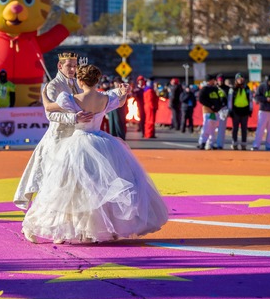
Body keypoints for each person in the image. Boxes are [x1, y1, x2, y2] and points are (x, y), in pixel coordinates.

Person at [20, 64, 168, 244]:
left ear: (80, 81)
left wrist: (44, 93)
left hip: (77, 143)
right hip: (101, 142)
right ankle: (95, 230)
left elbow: (49, 108)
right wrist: (123, 93)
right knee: (99, 188)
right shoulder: (105, 98)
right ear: (97, 80)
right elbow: (120, 103)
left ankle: (55, 227)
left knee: (68, 188)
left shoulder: (69, 98)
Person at [14, 52, 93, 212]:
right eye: (69, 66)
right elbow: (50, 114)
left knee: (74, 181)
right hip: (57, 139)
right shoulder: (53, 86)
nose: (72, 69)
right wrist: (73, 118)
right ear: (60, 66)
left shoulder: (78, 84)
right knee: (52, 180)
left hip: (76, 139)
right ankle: (40, 216)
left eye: (75, 66)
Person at [251, 72, 270, 151]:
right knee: (260, 128)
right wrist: (266, 99)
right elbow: (256, 97)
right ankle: (256, 145)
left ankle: (269, 146)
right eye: (269, 81)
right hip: (263, 110)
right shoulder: (262, 86)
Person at [228, 73, 253, 150]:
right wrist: (230, 110)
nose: (240, 80)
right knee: (235, 128)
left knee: (244, 128)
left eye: (242, 79)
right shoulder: (232, 89)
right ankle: (234, 143)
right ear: (236, 80)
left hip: (245, 110)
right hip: (236, 111)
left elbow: (250, 99)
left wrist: (250, 109)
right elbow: (230, 100)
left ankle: (243, 144)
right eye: (239, 79)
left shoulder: (247, 88)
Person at [198, 75, 223, 150]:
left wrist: (218, 107)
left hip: (215, 112)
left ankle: (210, 144)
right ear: (209, 81)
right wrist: (210, 105)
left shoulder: (215, 89)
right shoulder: (204, 89)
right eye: (213, 80)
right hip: (207, 111)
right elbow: (201, 99)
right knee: (206, 127)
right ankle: (202, 143)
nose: (214, 81)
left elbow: (219, 99)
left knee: (213, 128)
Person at [215, 74, 230, 149]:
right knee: (211, 127)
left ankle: (220, 144)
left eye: (221, 80)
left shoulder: (227, 89)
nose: (220, 82)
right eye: (219, 80)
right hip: (214, 109)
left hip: (223, 109)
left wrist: (229, 109)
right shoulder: (214, 88)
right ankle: (209, 143)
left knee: (221, 128)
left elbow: (230, 100)